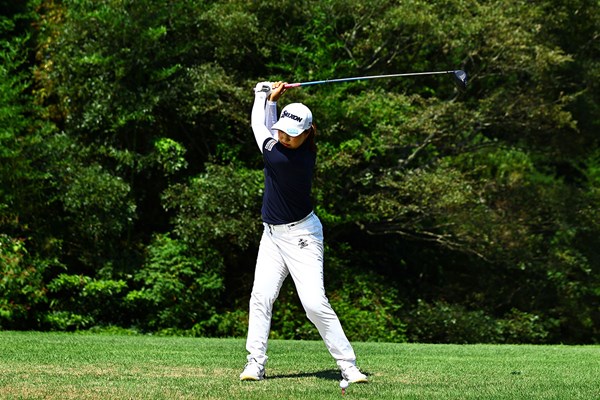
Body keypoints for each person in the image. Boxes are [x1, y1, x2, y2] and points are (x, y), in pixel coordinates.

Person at [239, 81, 368, 384]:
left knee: (313, 303)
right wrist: (273, 102)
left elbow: (259, 127)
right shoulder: (288, 148)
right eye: (283, 131)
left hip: (301, 238)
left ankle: (348, 366)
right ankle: (255, 363)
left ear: (308, 133)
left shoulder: (285, 159)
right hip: (272, 235)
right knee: (261, 297)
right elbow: (271, 130)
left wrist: (261, 95)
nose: (284, 138)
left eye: (292, 134)